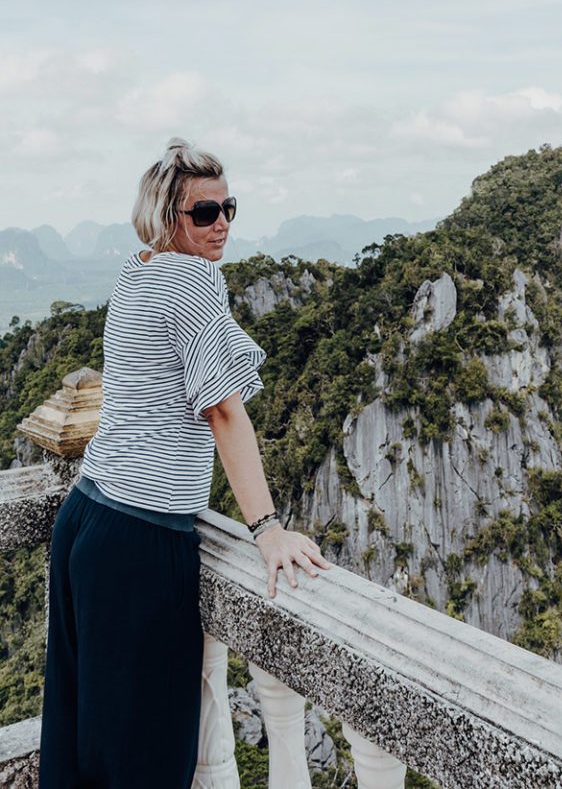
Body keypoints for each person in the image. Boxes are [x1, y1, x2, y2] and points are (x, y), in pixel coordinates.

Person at [38, 136, 332, 789]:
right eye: (205, 212)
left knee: (80, 740)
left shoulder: (139, 267)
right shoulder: (195, 280)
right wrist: (267, 528)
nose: (222, 222)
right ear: (168, 215)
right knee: (142, 754)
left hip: (87, 522)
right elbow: (224, 411)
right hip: (139, 541)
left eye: (229, 207)